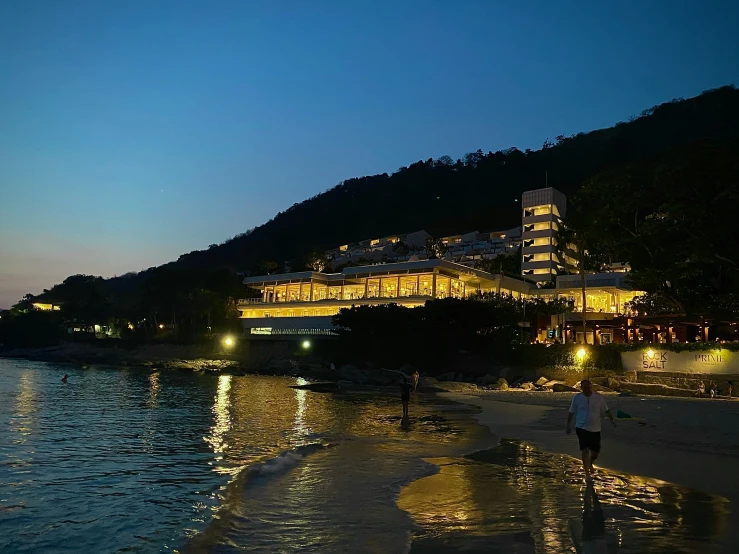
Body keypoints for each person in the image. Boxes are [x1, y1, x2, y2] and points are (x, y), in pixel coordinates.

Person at [566, 379, 615, 482]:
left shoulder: (598, 397)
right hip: (581, 427)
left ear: (591, 386)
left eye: (588, 387)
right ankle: (587, 473)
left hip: (595, 428)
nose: (586, 389)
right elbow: (571, 411)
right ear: (581, 388)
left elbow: (606, 410)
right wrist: (568, 425)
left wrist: (612, 421)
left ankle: (590, 463)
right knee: (585, 450)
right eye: (584, 388)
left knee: (595, 452)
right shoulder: (577, 398)